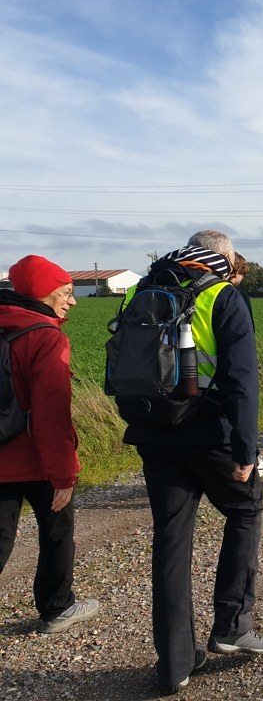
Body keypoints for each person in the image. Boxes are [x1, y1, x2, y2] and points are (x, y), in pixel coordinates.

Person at [121, 230, 263, 695]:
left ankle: (175, 663)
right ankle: (232, 624)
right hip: (209, 433)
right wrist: (247, 451)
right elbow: (243, 381)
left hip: (153, 432)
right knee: (245, 510)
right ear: (223, 259)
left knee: (170, 540)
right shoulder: (220, 295)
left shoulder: (142, 288)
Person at [0, 256, 100, 635]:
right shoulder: (46, 337)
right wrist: (64, 473)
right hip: (38, 463)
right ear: (44, 293)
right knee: (57, 532)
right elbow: (50, 415)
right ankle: (57, 608)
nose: (72, 302)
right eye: (67, 293)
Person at [228, 253, 263, 478]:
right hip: (234, 362)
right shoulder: (236, 296)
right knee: (242, 410)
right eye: (242, 275)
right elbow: (247, 332)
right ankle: (251, 458)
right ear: (235, 272)